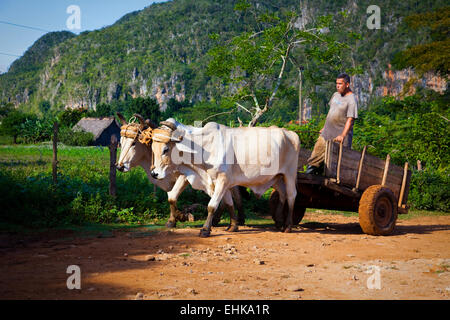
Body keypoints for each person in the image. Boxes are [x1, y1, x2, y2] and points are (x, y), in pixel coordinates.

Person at [305, 73, 358, 174]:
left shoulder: (352, 100)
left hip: (338, 139)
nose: (337, 86)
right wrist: (324, 127)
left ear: (347, 85)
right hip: (326, 134)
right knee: (314, 158)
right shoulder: (335, 95)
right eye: (336, 83)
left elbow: (350, 120)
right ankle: (309, 176)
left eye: (340, 84)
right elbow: (331, 113)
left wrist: (342, 135)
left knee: (333, 167)